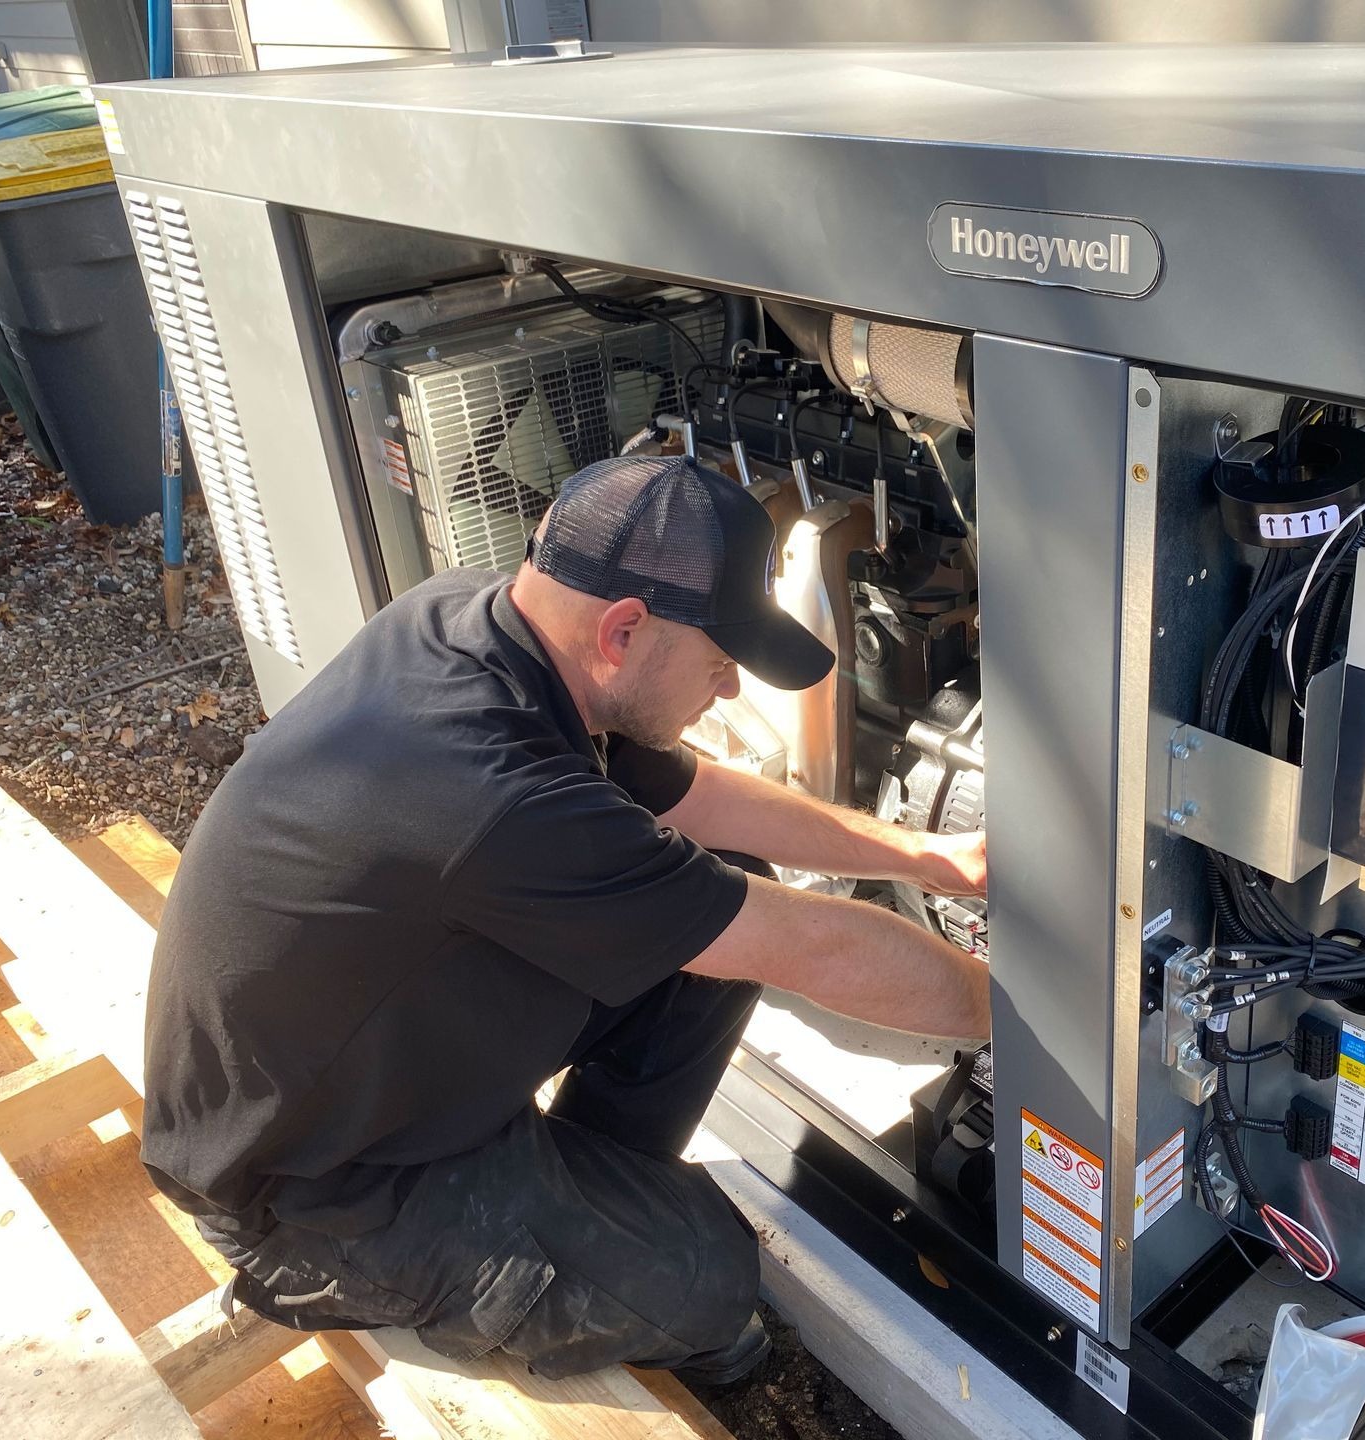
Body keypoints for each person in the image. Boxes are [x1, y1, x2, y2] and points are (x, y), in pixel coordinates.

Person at [140, 454, 991, 1385]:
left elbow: (702, 802)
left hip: (373, 1065)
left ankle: (585, 1204)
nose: (732, 691)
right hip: (310, 1184)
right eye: (720, 661)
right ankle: (490, 1272)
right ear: (625, 631)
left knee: (724, 894)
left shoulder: (481, 617)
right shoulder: (492, 793)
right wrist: (1031, 1028)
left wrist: (934, 858)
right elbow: (812, 945)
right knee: (712, 1277)